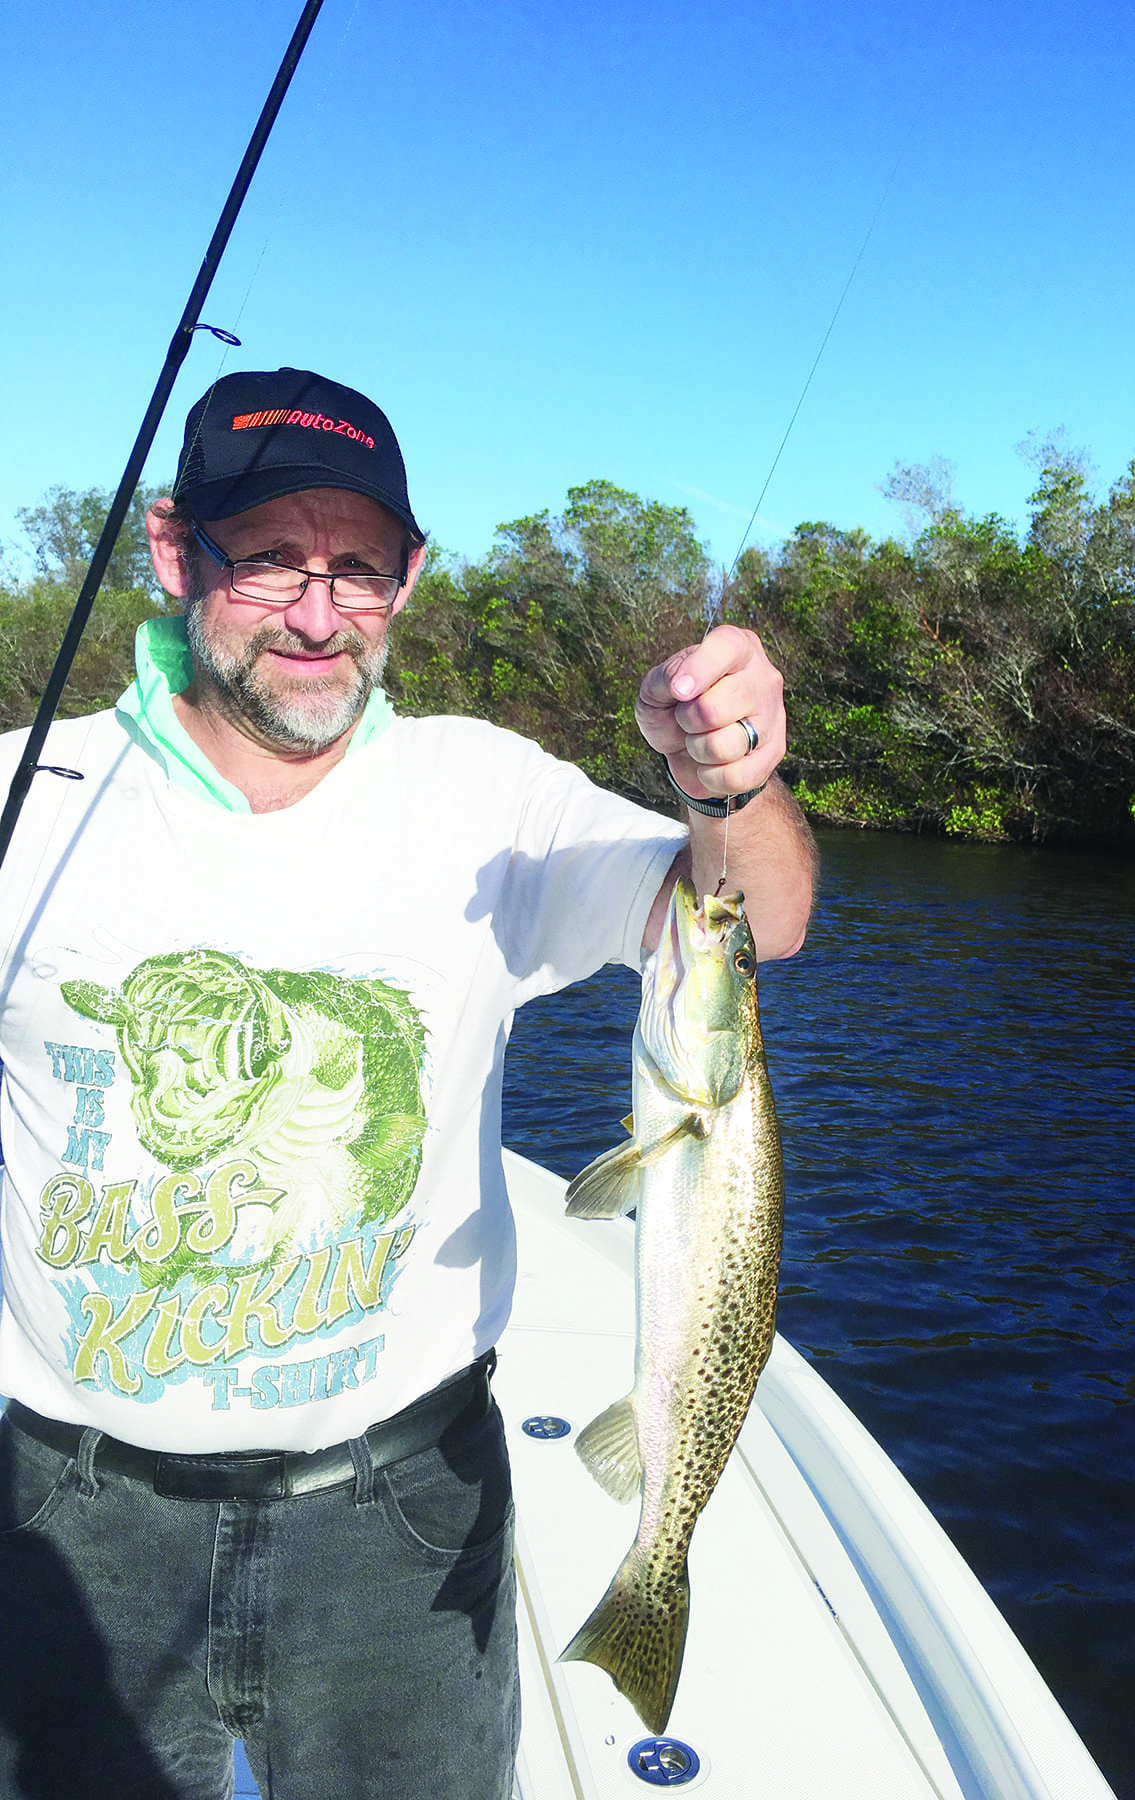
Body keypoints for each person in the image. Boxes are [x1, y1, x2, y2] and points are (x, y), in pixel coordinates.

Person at [0, 367, 814, 1800]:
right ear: (177, 552)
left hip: (401, 1506)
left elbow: (757, 914)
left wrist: (727, 783)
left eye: (358, 572)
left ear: (409, 580)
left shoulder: (485, 793)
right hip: (71, 1512)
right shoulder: (25, 799)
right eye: (269, 562)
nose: (319, 616)